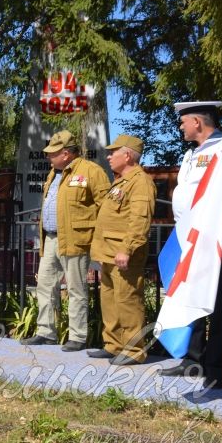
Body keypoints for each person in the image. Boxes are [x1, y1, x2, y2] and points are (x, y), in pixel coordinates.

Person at [158, 101, 222, 385]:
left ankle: (215, 368)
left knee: (216, 303)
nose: (181, 126)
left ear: (197, 122)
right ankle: (192, 360)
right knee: (191, 298)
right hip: (190, 239)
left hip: (215, 239)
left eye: (184, 121)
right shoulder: (192, 154)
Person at [20, 131, 110, 350]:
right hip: (51, 238)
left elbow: (106, 207)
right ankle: (46, 332)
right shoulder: (53, 173)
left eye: (53, 153)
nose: (49, 157)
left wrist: (98, 238)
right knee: (45, 285)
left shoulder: (91, 171)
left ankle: (78, 337)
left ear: (67, 154)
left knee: (76, 289)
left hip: (76, 239)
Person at [88, 135, 156, 366]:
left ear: (127, 155)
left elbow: (139, 220)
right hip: (108, 253)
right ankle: (114, 345)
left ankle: (134, 350)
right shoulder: (122, 181)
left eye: (113, 152)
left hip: (123, 254)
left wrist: (126, 249)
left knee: (128, 301)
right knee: (110, 301)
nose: (108, 156)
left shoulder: (141, 182)